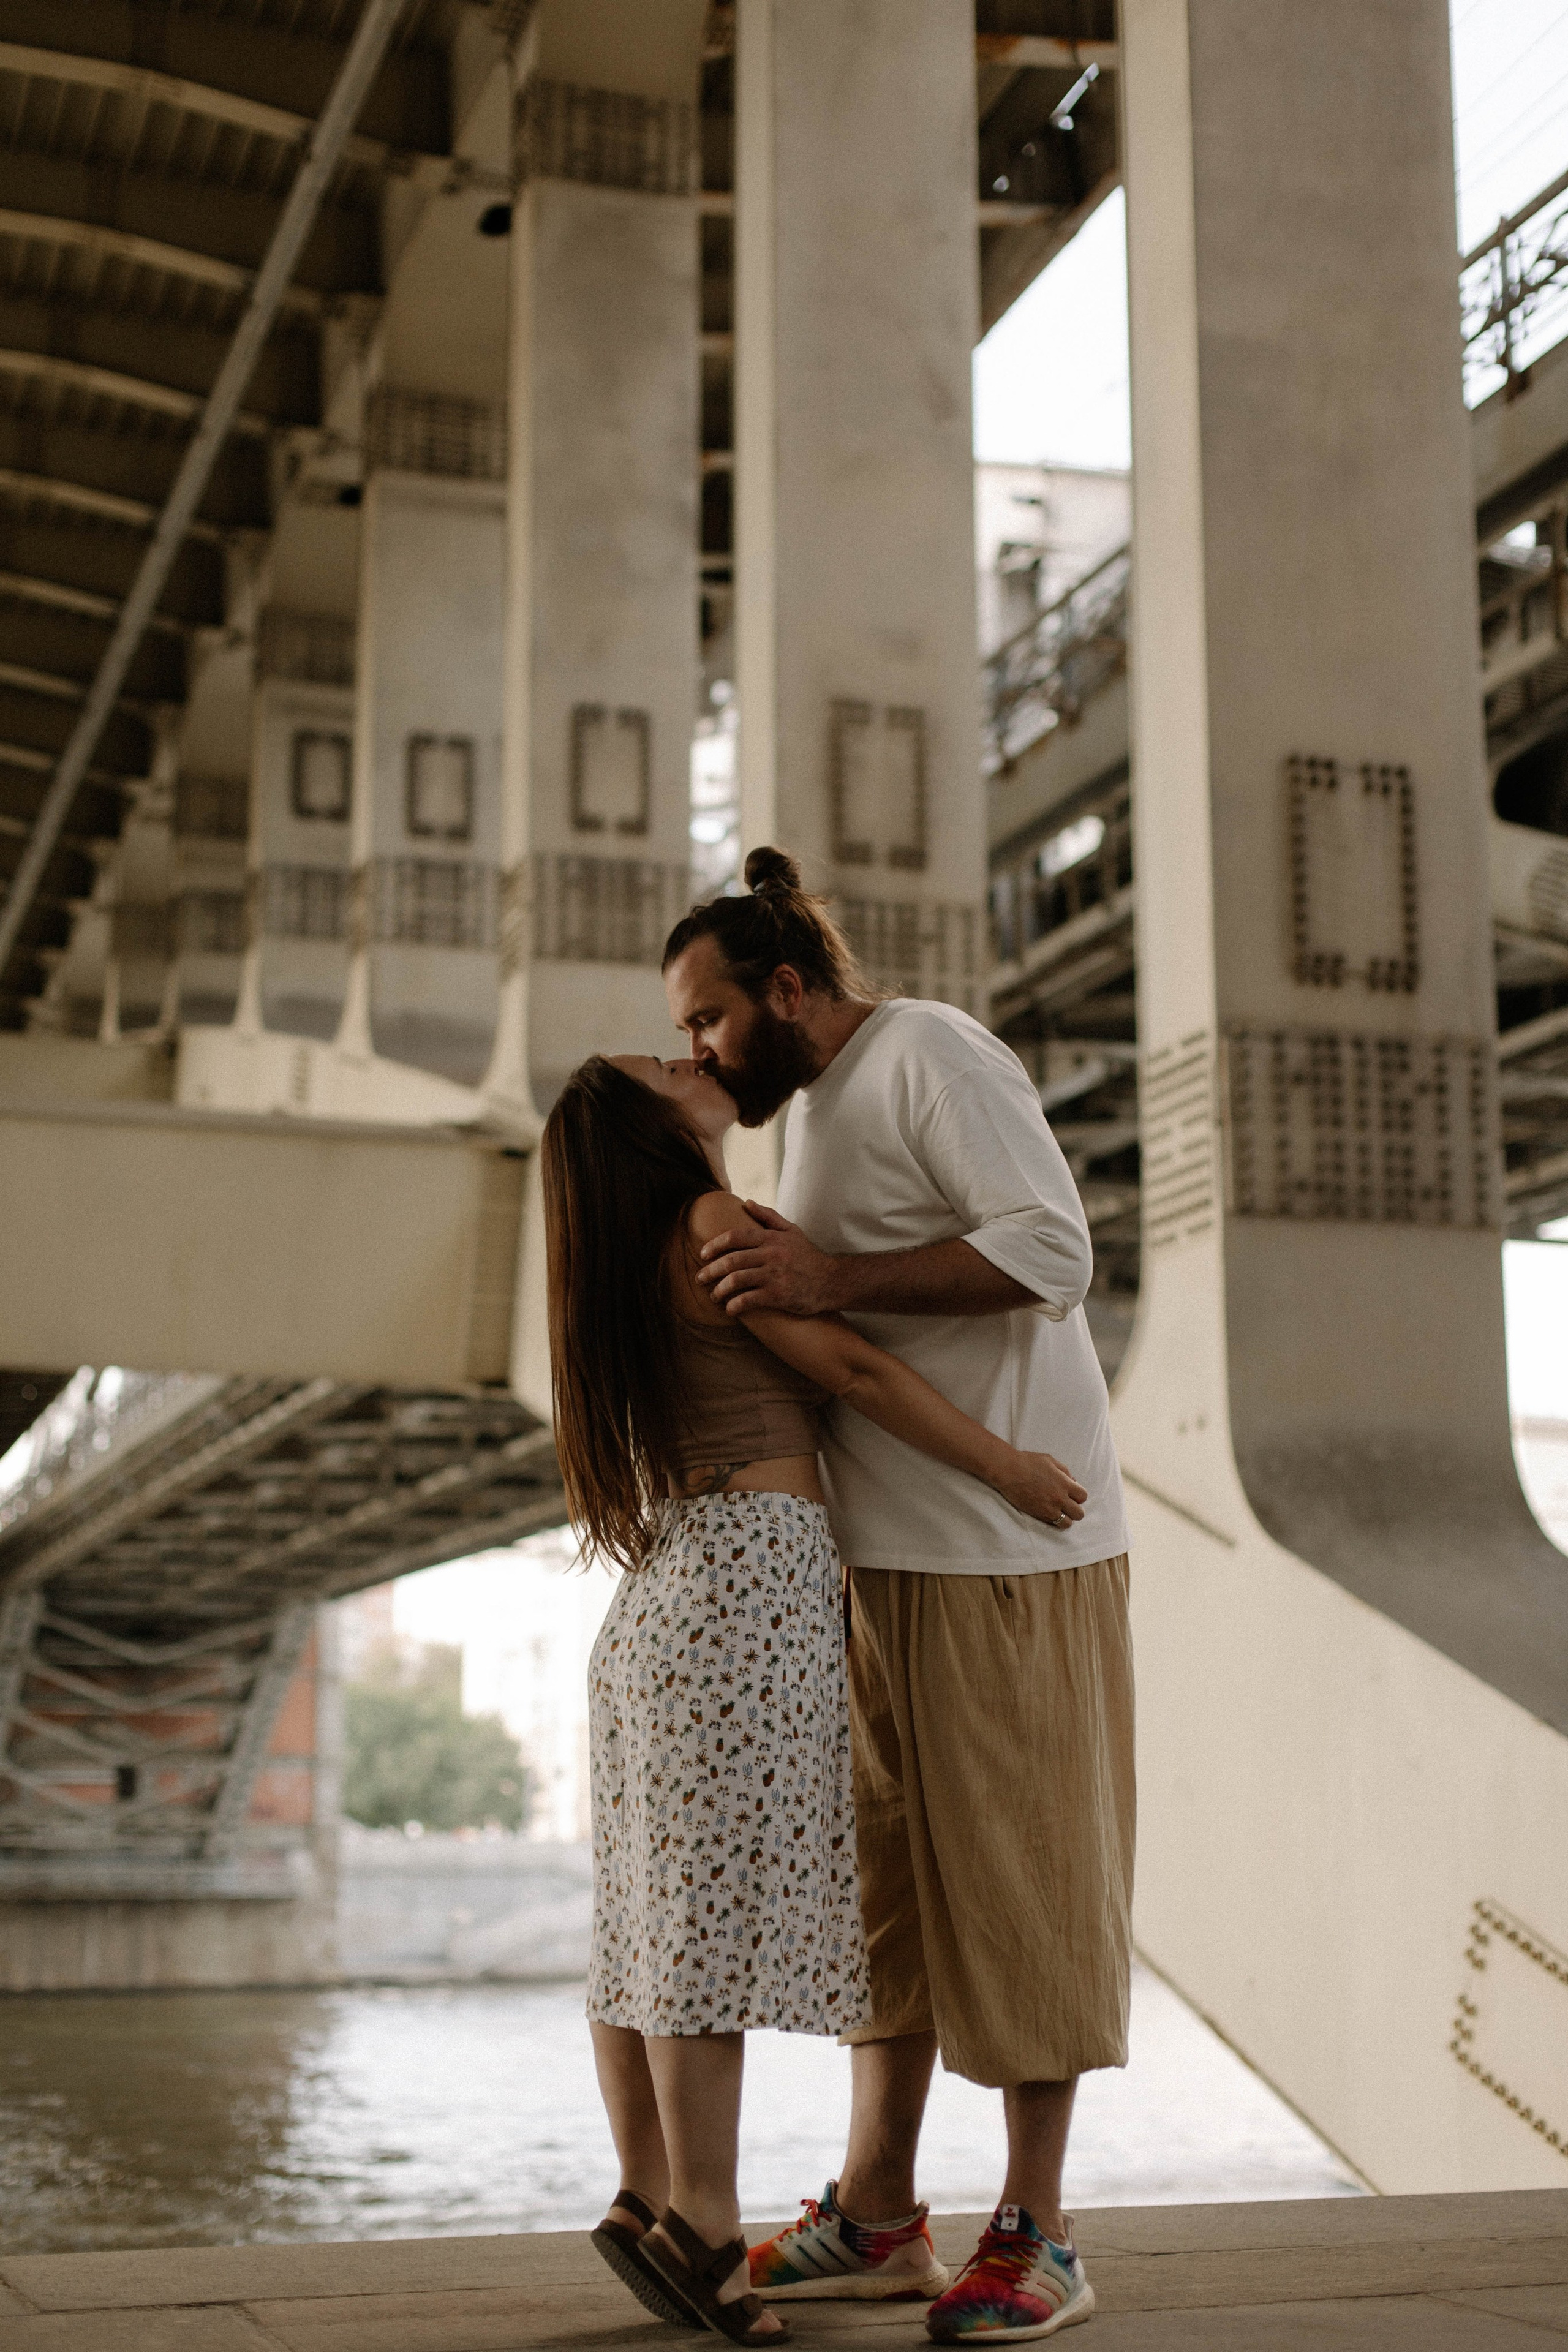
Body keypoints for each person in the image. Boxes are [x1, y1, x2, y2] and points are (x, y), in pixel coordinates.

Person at [541, 1048, 1092, 2346]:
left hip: (660, 1602)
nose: (690, 1055)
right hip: (744, 1594)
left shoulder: (610, 1262)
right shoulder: (706, 1224)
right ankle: (706, 2231)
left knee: (645, 1919)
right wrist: (1005, 1467)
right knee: (698, 1942)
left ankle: (644, 2192)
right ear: (642, 1128)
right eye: (661, 1060)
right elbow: (857, 1375)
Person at [660, 846, 1134, 2344]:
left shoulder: (929, 1051)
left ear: (788, 989)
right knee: (892, 1907)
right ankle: (877, 2214)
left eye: (709, 1018)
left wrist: (827, 1281)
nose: (698, 1050)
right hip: (879, 1565)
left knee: (1025, 1882)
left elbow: (1052, 1252)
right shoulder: (805, 1114)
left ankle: (1040, 2234)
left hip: (1006, 1551)